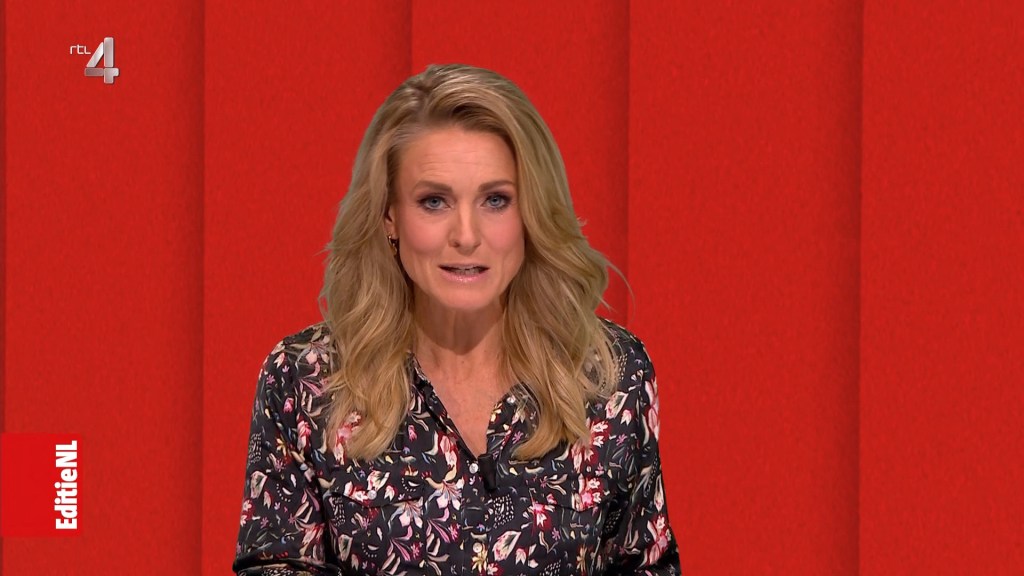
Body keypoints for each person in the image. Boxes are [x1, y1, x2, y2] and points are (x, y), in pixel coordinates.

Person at [233, 64, 681, 575]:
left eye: (495, 200)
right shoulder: (305, 381)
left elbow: (647, 565)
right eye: (434, 201)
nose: (466, 236)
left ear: (530, 214)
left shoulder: (611, 375)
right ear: (389, 216)